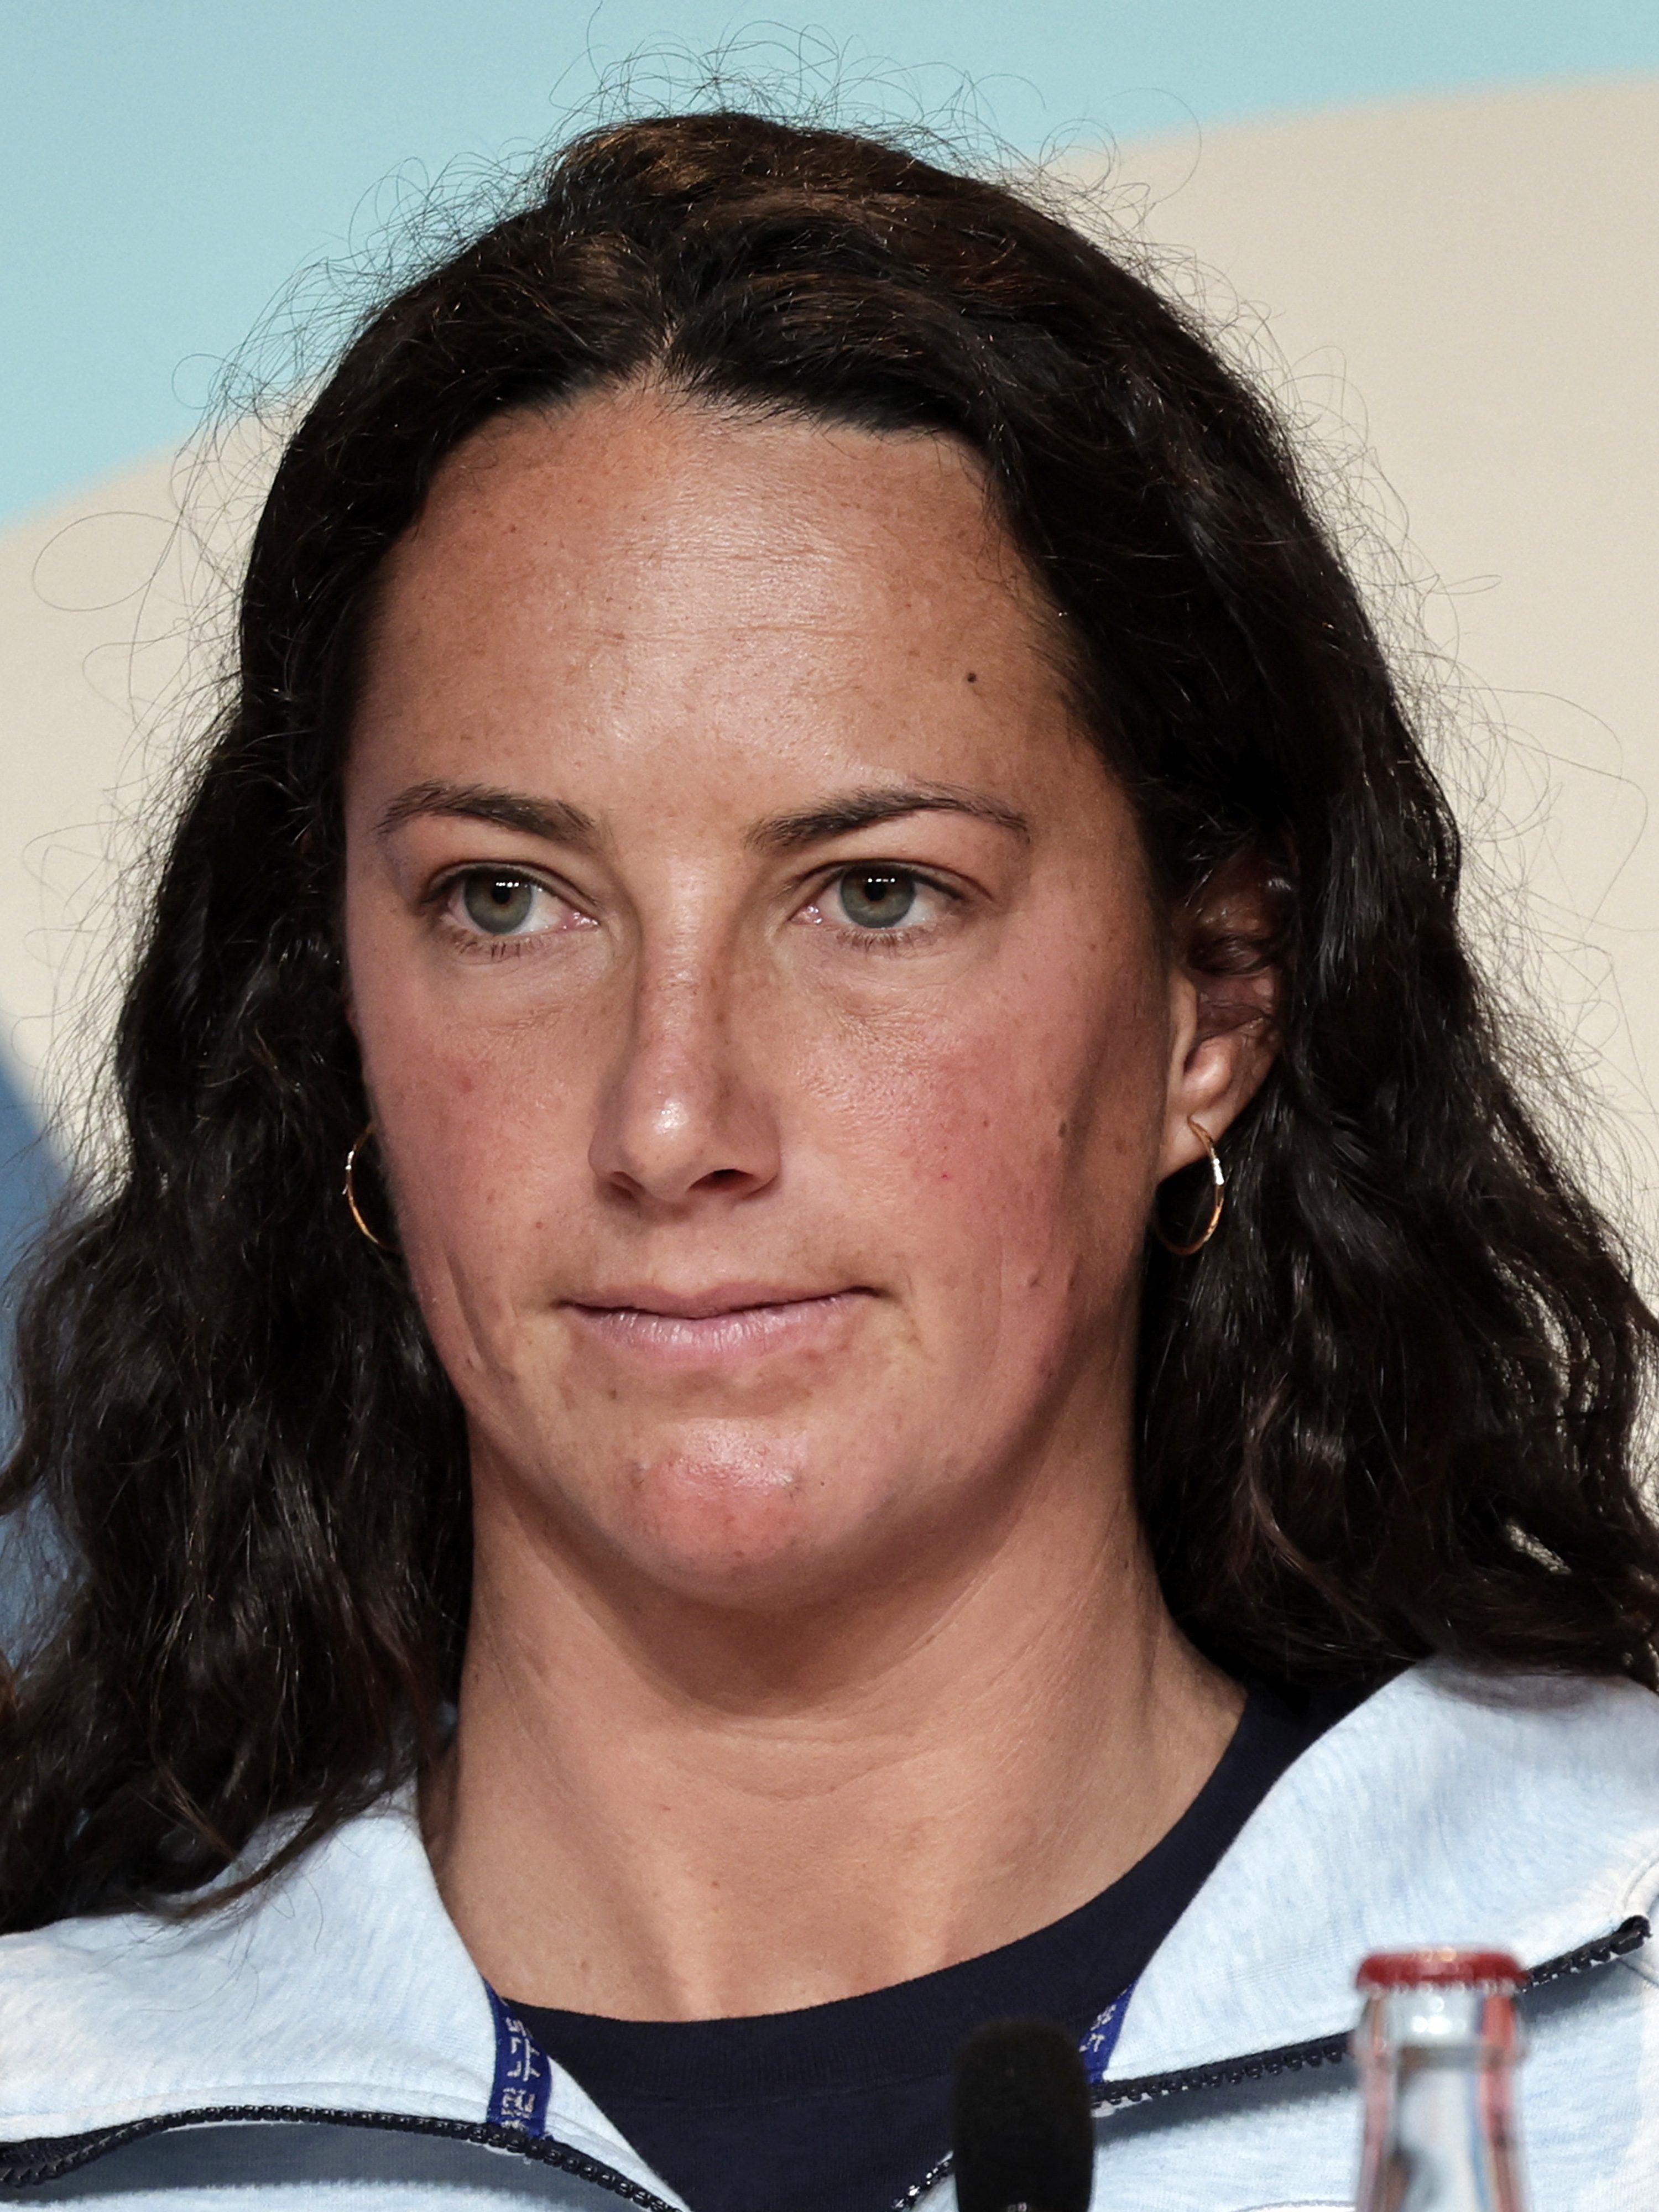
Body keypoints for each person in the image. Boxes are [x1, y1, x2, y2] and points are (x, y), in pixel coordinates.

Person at [0, 107, 1656, 2212]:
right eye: (509, 900)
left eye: (875, 896)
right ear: (333, 1023)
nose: (673, 1118)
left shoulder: (1611, 2009)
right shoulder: (54, 2127)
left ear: (1216, 1000)